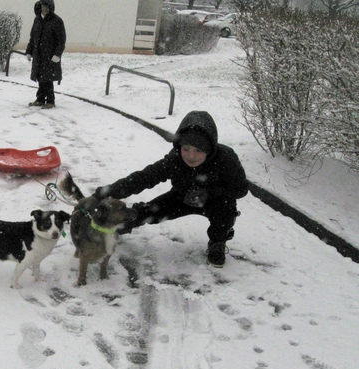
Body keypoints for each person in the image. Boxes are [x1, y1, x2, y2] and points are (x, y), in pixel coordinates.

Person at [92, 111, 249, 267]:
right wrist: (103, 194)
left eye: (198, 150)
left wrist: (210, 193)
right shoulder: (175, 159)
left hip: (216, 202)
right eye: (186, 148)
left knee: (226, 210)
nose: (191, 156)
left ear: (209, 150)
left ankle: (218, 242)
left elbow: (241, 189)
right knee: (147, 212)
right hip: (181, 199)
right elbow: (144, 178)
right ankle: (118, 226)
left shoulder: (225, 158)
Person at [25, 0, 66, 109]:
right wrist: (29, 51)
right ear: (40, 6)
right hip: (39, 55)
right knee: (40, 77)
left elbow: (61, 41)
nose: (45, 9)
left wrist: (57, 55)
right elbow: (33, 38)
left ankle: (50, 101)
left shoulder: (57, 21)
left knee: (48, 79)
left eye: (48, 7)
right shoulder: (37, 20)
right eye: (44, 6)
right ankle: (40, 99)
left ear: (51, 8)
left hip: (50, 56)